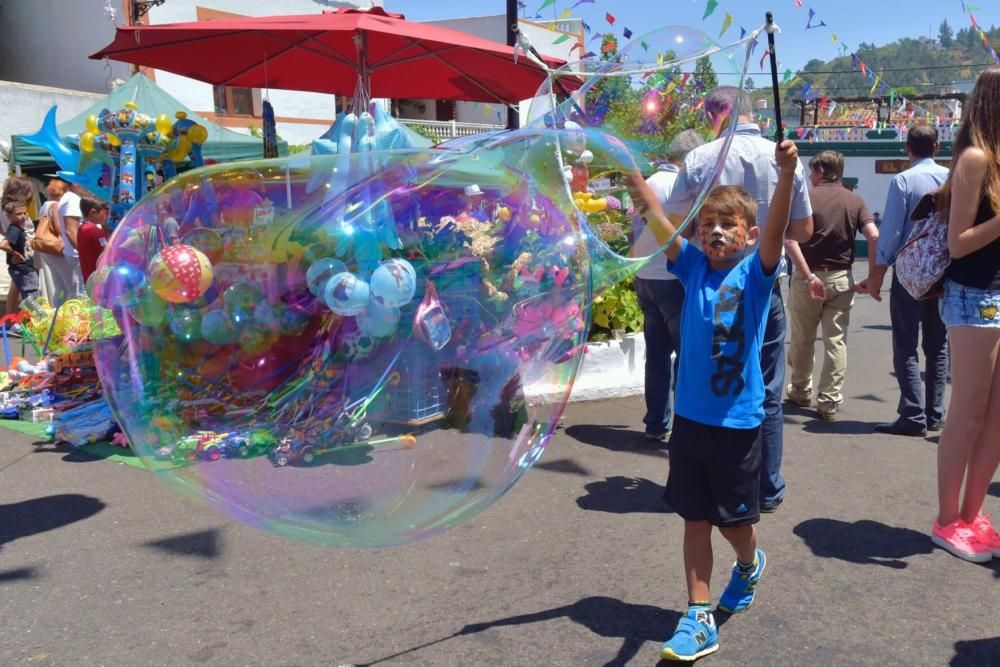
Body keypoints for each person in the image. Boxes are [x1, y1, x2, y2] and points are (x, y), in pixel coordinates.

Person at [627, 138, 799, 662]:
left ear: (748, 236)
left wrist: (787, 175)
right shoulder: (693, 267)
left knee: (734, 523)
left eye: (729, 226)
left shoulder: (756, 273)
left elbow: (776, 228)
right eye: (708, 226)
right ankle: (698, 616)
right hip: (691, 421)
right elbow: (657, 221)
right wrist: (634, 179)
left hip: (739, 424)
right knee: (694, 517)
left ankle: (749, 563)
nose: (716, 233)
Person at [667, 87, 814, 513]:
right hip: (764, 284)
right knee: (764, 391)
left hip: (710, 284)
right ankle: (763, 487)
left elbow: (673, 226)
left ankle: (711, 477)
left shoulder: (699, 159)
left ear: (717, 113)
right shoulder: (783, 156)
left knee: (706, 373)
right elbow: (801, 231)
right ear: (753, 112)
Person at [930, 67, 1000, 562]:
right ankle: (947, 520)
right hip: (974, 296)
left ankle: (973, 516)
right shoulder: (974, 158)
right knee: (968, 414)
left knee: (996, 418)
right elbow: (958, 244)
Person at [859, 125, 949, 436]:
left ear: (907, 149)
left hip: (910, 272)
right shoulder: (952, 179)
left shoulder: (903, 180)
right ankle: (935, 412)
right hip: (943, 271)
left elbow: (892, 233)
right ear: (937, 147)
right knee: (938, 345)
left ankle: (912, 414)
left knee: (906, 343)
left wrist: (876, 276)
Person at [784, 151, 878, 420]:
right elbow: (873, 235)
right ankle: (829, 399)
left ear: (821, 172)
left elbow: (790, 241)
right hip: (841, 278)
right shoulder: (855, 199)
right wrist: (872, 276)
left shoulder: (805, 198)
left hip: (808, 276)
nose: (811, 177)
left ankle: (801, 390)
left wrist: (809, 275)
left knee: (803, 337)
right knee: (836, 341)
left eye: (813, 172)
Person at [631, 129, 705, 440]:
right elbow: (687, 234)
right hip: (673, 279)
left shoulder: (648, 183)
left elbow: (634, 229)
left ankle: (655, 423)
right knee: (685, 355)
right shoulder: (681, 185)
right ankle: (686, 426)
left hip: (645, 277)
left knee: (656, 355)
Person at [0, 201, 38, 306]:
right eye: (18, 214)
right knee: (32, 298)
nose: (23, 216)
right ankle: (36, 320)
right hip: (23, 269)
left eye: (25, 213)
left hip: (24, 268)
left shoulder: (19, 228)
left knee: (31, 297)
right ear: (9, 216)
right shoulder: (15, 229)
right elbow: (3, 245)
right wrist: (16, 254)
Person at [78, 198, 110, 284]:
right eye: (104, 213)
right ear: (93, 212)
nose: (106, 216)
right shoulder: (95, 231)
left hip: (89, 277)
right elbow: (108, 252)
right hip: (101, 278)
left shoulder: (82, 228)